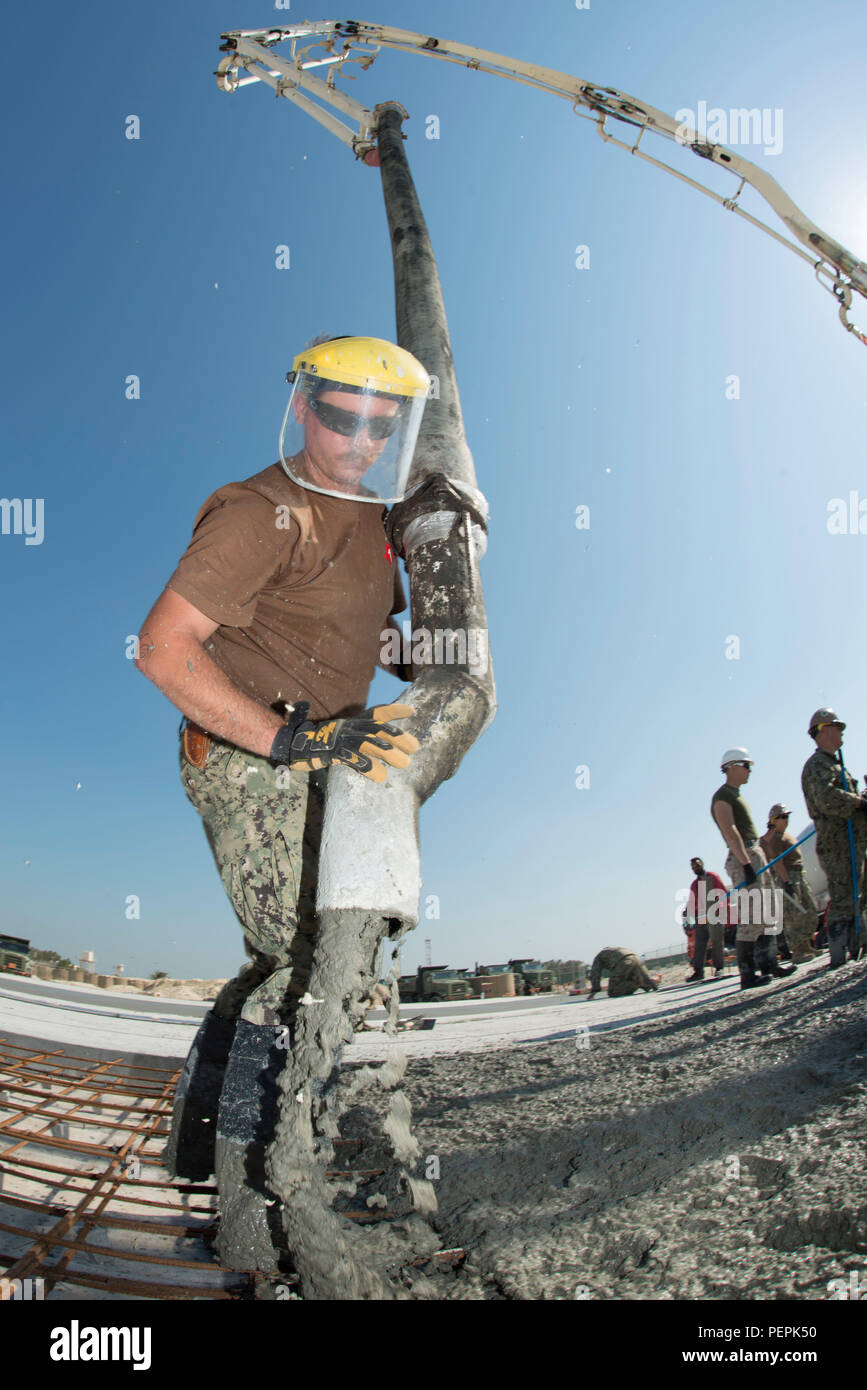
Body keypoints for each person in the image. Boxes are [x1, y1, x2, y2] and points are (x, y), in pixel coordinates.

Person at [135, 335, 430, 1270]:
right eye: (341, 417)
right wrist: (285, 738)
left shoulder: (375, 523)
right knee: (307, 962)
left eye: (381, 426)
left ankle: (194, 1148)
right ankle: (250, 1209)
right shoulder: (262, 512)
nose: (359, 441)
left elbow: (369, 639)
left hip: (322, 759)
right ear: (303, 408)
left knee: (282, 957)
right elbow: (163, 647)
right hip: (249, 755)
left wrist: (443, 658)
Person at [711, 748, 794, 990]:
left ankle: (769, 966)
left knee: (767, 914)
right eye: (746, 766)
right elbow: (730, 831)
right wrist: (746, 863)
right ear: (732, 766)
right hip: (744, 857)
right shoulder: (723, 796)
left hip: (753, 853)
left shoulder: (736, 795)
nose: (749, 771)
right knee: (752, 917)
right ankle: (747, 975)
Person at [801, 709, 867, 969]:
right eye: (838, 727)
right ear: (824, 730)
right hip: (837, 845)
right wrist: (860, 803)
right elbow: (827, 798)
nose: (841, 732)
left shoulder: (835, 764)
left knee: (858, 896)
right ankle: (839, 958)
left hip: (854, 843)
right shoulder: (817, 765)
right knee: (842, 900)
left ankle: (858, 947)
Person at [759, 804, 820, 964]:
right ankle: (798, 951)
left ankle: (806, 945)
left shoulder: (786, 836)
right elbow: (777, 862)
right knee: (794, 914)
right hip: (788, 876)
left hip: (798, 874)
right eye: (783, 817)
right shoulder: (776, 839)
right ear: (774, 820)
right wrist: (786, 882)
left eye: (787, 816)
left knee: (810, 908)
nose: (787, 820)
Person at [685, 856, 728, 981]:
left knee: (717, 941)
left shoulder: (713, 877)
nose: (695, 868)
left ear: (702, 864)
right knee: (700, 944)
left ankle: (719, 968)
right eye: (693, 867)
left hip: (715, 915)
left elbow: (724, 893)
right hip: (702, 918)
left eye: (697, 865)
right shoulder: (694, 884)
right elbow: (692, 902)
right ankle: (698, 972)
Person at [588, 948, 660, 998]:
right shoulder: (613, 950)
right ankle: (648, 982)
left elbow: (595, 973)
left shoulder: (599, 957)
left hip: (623, 962)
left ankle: (637, 983)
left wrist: (595, 989)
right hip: (636, 958)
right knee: (647, 982)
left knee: (612, 993)